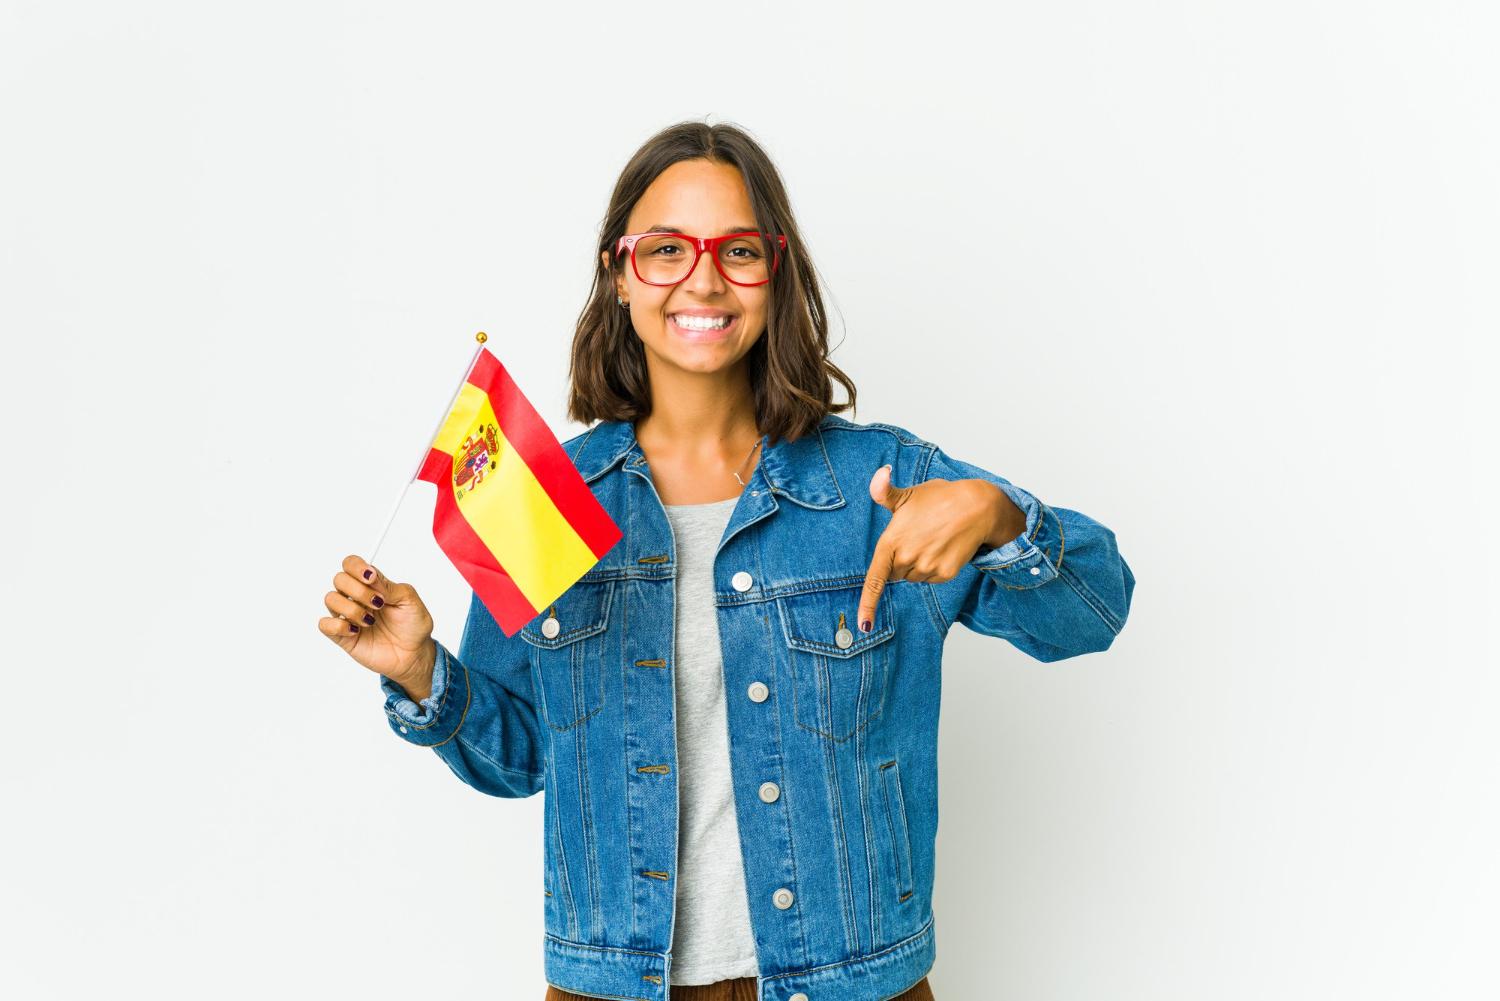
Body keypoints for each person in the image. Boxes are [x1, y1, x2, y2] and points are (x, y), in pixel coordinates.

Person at [318, 120, 1135, 1001]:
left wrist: (999, 514)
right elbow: (518, 758)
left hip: (850, 983)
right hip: (611, 985)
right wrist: (420, 671)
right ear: (618, 273)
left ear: (774, 271)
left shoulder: (879, 484)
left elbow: (1093, 613)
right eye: (665, 248)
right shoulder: (545, 499)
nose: (702, 277)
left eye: (737, 249)